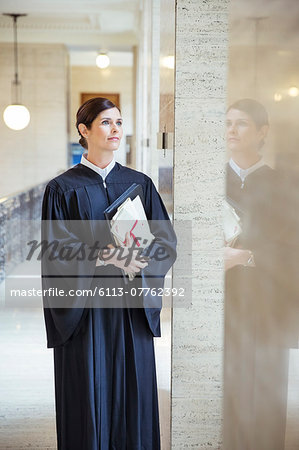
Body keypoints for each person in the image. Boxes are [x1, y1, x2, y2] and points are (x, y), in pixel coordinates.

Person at [41, 97, 177, 450]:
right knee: (88, 393)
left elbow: (166, 242)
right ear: (84, 131)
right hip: (86, 311)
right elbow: (54, 250)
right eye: (105, 122)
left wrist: (139, 259)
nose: (114, 129)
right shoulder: (62, 189)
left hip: (131, 306)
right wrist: (105, 255)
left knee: (134, 392)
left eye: (118, 122)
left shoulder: (139, 184)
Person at [223, 99, 290, 450]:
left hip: (267, 306)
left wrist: (245, 256)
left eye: (242, 123)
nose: (232, 130)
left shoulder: (283, 186)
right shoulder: (210, 184)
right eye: (229, 122)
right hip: (223, 307)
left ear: (262, 132)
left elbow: (292, 251)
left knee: (266, 398)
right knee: (225, 394)